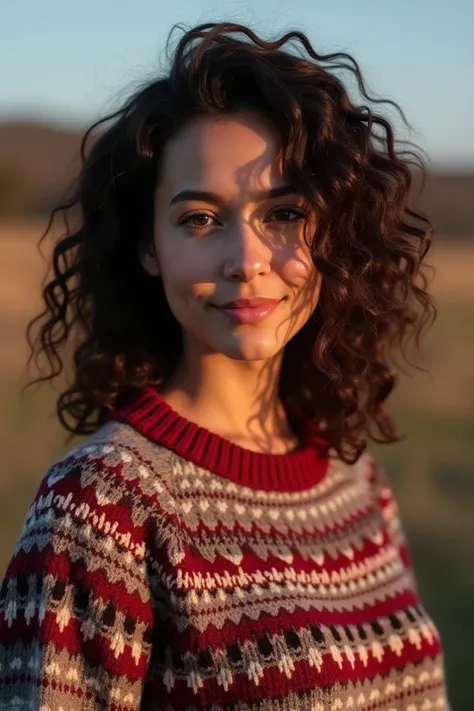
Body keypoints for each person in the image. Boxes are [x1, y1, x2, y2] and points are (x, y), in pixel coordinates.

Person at [0, 21, 450, 711]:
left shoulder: (355, 479)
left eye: (286, 212)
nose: (247, 258)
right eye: (201, 218)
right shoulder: (98, 508)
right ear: (148, 244)